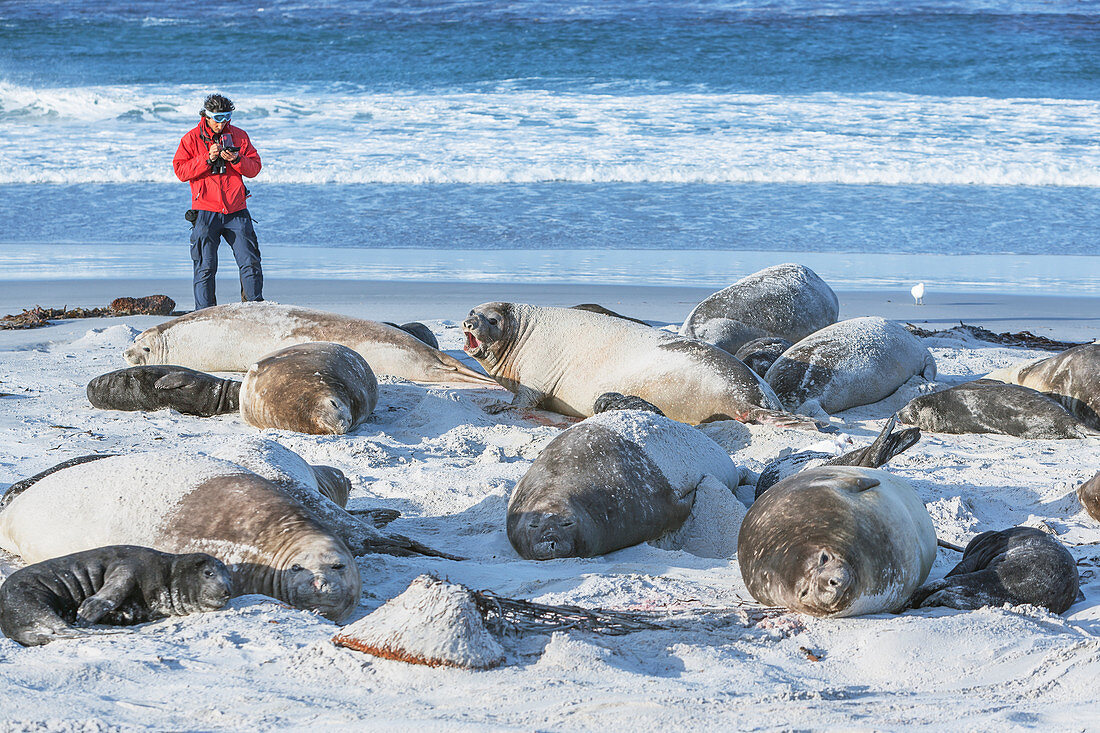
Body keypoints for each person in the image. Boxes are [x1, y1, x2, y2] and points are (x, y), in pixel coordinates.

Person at [173, 93, 263, 310]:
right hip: (205, 210)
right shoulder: (191, 139)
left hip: (236, 209)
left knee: (250, 262)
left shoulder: (240, 136)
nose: (222, 123)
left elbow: (255, 168)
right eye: (217, 118)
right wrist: (208, 158)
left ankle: (255, 309)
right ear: (206, 115)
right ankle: (204, 314)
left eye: (226, 117)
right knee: (205, 266)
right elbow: (181, 171)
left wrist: (237, 159)